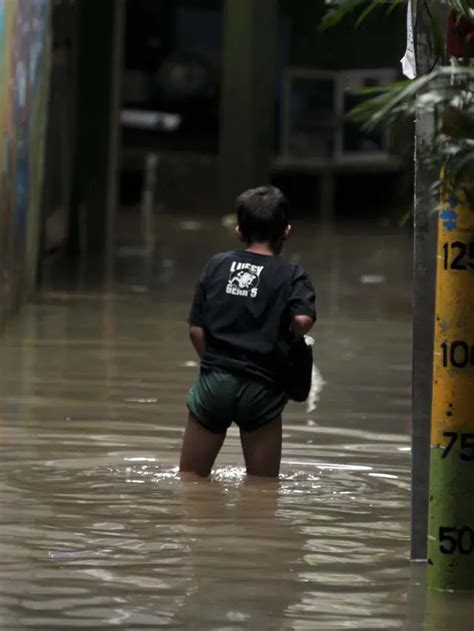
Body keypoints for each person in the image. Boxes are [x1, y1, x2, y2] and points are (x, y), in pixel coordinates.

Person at [179, 186, 316, 479]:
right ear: (287, 232)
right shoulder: (292, 274)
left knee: (190, 479)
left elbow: (195, 331)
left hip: (215, 383)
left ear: (239, 231)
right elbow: (303, 320)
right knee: (263, 486)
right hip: (262, 388)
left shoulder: (217, 265)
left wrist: (215, 365)